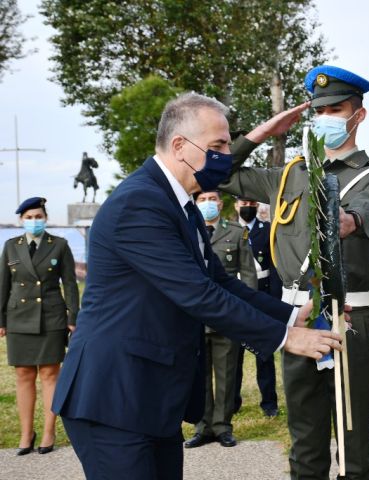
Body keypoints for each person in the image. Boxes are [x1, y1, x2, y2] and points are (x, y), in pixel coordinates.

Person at [51, 92, 342, 480]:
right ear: (179, 146)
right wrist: (285, 339)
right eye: (218, 145)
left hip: (150, 395)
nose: (226, 154)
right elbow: (197, 294)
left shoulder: (178, 203)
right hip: (113, 397)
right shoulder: (139, 203)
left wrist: (292, 315)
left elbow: (217, 280)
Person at [221, 65, 369, 480]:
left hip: (349, 318)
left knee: (354, 446)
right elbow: (216, 174)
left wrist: (348, 220)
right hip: (298, 318)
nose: (325, 120)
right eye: (318, 111)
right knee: (304, 442)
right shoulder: (287, 175)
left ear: (359, 115)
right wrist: (262, 133)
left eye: (336, 109)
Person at [0, 197, 79, 455]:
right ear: (21, 220)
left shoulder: (59, 245)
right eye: (29, 217)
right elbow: (3, 285)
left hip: (51, 318)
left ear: (45, 218)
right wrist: (1, 320)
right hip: (19, 318)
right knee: (23, 375)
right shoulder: (11, 246)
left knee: (49, 374)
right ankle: (26, 433)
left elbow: (69, 284)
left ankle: (48, 430)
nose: (34, 221)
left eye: (38, 217)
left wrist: (73, 317)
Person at [183, 190, 257, 449]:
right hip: (195, 316)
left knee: (226, 374)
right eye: (201, 200)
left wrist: (245, 313)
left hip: (227, 315)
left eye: (211, 199)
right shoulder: (187, 231)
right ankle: (203, 427)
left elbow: (248, 276)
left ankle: (223, 426)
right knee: (200, 374)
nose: (207, 204)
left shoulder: (237, 232)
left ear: (220, 203)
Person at [233, 196, 282, 418]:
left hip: (261, 294)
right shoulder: (230, 230)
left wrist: (272, 301)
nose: (248, 207)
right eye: (243, 204)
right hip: (234, 295)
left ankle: (269, 402)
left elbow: (274, 267)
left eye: (252, 204)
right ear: (235, 205)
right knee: (233, 354)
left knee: (264, 353)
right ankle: (231, 401)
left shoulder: (267, 229)